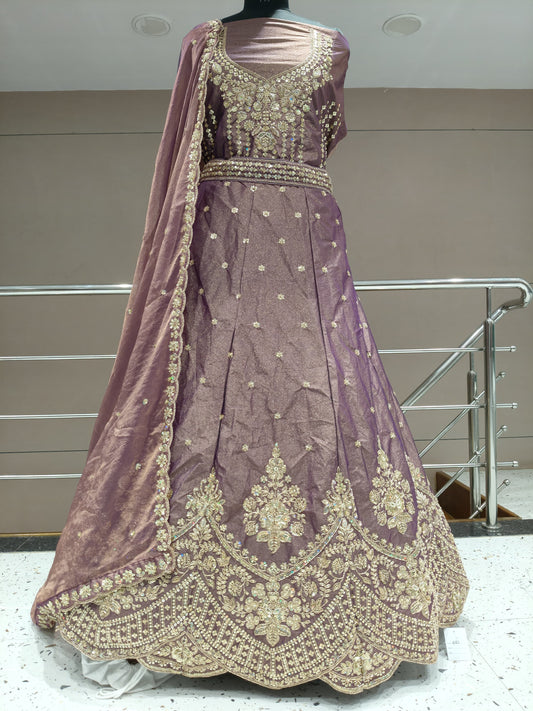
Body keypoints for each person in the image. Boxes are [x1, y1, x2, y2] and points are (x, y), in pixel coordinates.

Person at [31, 0, 469, 696]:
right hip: (221, 241)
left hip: (307, 243)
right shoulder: (203, 43)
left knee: (326, 380)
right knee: (211, 383)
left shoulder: (331, 45)